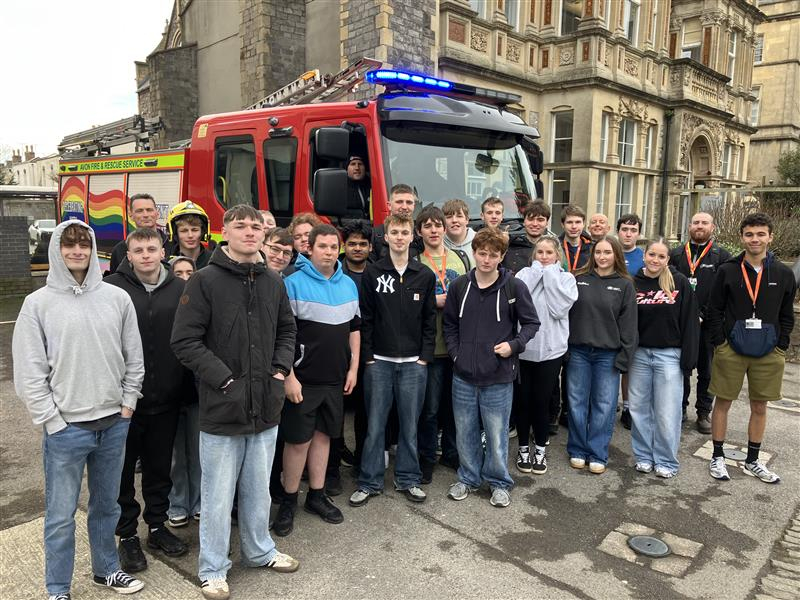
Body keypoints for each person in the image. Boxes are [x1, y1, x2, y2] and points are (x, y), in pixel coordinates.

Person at [171, 204, 299, 600]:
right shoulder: (205, 281)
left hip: (266, 403)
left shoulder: (273, 281)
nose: (249, 232)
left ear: (264, 234)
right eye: (240, 225)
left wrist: (279, 370)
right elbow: (184, 341)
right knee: (217, 494)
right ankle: (212, 568)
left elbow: (287, 329)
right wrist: (225, 379)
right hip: (223, 406)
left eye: (255, 226)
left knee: (259, 487)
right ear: (225, 231)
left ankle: (259, 551)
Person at [13, 220, 146, 598]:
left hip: (113, 423)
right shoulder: (37, 304)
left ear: (92, 250)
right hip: (67, 428)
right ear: (56, 248)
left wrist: (127, 402)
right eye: (68, 244)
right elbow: (29, 371)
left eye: (83, 244)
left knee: (107, 507)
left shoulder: (115, 298)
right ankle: (58, 587)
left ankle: (107, 570)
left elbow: (133, 357)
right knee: (60, 517)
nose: (76, 251)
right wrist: (53, 421)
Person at [106, 228, 190, 571]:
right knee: (122, 472)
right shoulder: (111, 288)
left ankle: (157, 526)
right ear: (128, 253)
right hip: (122, 403)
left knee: (159, 469)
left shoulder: (182, 289)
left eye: (151, 248)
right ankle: (127, 534)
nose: (145, 255)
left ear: (162, 251)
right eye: (137, 249)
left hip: (166, 398)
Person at [273, 224, 360, 536]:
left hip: (335, 380)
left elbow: (354, 329)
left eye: (333, 246)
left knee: (324, 437)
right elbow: (283, 336)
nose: (329, 252)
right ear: (308, 249)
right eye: (322, 246)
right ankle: (288, 501)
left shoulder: (348, 284)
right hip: (303, 381)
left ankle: (317, 495)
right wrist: (289, 377)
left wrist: (353, 369)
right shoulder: (292, 284)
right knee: (298, 442)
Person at [443, 228, 539, 507]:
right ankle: (468, 478)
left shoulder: (513, 287)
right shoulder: (459, 286)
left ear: (502, 256)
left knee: (496, 433)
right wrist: (455, 354)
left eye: (493, 255)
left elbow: (532, 323)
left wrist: (514, 345)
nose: (486, 259)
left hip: (498, 376)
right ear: (474, 253)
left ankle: (499, 482)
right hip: (463, 375)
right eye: (482, 253)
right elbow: (449, 324)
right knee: (465, 431)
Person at [349, 214, 436, 507]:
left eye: (404, 232)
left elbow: (429, 321)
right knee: (375, 425)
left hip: (414, 364)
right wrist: (370, 358)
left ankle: (408, 478)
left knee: (410, 424)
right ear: (386, 237)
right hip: (380, 363)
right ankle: (369, 480)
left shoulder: (423, 275)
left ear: (413, 237)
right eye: (394, 232)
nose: (400, 237)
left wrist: (424, 357)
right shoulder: (374, 273)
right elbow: (367, 318)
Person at [706, 212, 796, 484]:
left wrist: (781, 346)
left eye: (760, 234)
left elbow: (786, 313)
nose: (754, 239)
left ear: (770, 236)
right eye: (749, 234)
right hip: (731, 348)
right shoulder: (728, 270)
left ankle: (753, 460)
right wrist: (721, 343)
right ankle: (718, 456)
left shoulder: (782, 273)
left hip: (769, 351)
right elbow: (714, 310)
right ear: (741, 237)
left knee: (760, 405)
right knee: (723, 402)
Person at [566, 236, 637, 474]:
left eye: (607, 252)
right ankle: (577, 448)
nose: (602, 257)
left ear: (616, 255)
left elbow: (629, 325)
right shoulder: (579, 279)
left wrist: (625, 357)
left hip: (608, 354)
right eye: (598, 252)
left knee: (604, 405)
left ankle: (597, 452)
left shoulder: (625, 285)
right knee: (576, 402)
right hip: (579, 351)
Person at [628, 238, 699, 478]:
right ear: (644, 256)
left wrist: (688, 360)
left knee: (667, 411)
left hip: (669, 355)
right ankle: (644, 457)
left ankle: (666, 461)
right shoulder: (633, 283)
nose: (655, 260)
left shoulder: (678, 283)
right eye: (652, 255)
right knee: (639, 408)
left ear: (668, 260)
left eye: (661, 256)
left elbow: (690, 322)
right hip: (639, 355)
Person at [414, 206, 470, 483]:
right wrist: (431, 301)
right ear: (420, 231)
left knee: (454, 405)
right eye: (428, 226)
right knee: (430, 407)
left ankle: (451, 451)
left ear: (445, 228)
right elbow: (410, 302)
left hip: (457, 345)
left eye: (438, 224)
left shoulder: (460, 259)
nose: (434, 230)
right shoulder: (416, 262)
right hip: (431, 346)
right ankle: (426, 457)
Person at [514, 237, 577, 474]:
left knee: (541, 402)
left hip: (551, 351)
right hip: (523, 350)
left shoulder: (566, 278)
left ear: (557, 256)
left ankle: (539, 448)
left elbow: (559, 308)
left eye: (549, 252)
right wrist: (535, 274)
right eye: (539, 251)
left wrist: (549, 274)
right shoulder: (522, 275)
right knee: (523, 402)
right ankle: (522, 447)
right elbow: (519, 301)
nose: (543, 256)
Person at [669, 212, 732, 434]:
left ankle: (704, 412)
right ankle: (680, 407)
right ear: (689, 226)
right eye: (696, 222)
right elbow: (668, 287)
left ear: (712, 227)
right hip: (681, 323)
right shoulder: (675, 254)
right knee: (682, 367)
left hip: (708, 323)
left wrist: (703, 314)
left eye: (704, 223)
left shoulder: (721, 256)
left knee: (707, 369)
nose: (699, 226)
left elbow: (722, 292)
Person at [334, 221, 373, 476]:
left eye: (362, 244)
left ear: (370, 247)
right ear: (343, 246)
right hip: (337, 351)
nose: (357, 248)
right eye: (352, 244)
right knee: (336, 411)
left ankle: (361, 459)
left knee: (364, 410)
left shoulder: (379, 273)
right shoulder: (335, 273)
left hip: (369, 352)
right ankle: (335, 459)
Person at [166, 256, 202, 530]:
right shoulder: (167, 304)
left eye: (190, 272)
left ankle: (199, 502)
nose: (185, 277)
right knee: (176, 453)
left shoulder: (203, 303)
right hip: (171, 390)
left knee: (199, 451)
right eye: (178, 272)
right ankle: (178, 503)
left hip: (199, 391)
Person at [616, 213, 644, 429]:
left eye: (633, 230)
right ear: (618, 231)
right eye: (625, 229)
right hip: (609, 316)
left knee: (629, 365)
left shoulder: (644, 257)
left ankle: (627, 407)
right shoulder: (611, 253)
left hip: (634, 317)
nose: (628, 233)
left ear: (638, 233)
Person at [109, 193, 168, 273]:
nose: (145, 215)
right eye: (139, 211)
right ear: (131, 215)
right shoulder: (120, 250)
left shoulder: (172, 245)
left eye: (149, 210)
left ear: (157, 213)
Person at [369, 183, 421, 261]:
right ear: (389, 205)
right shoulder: (374, 235)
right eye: (399, 202)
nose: (404, 207)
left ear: (414, 206)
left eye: (409, 202)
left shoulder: (420, 235)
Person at [503, 200, 557, 275]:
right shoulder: (510, 245)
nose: (535, 224)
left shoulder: (555, 247)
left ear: (547, 223)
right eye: (530, 219)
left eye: (540, 220)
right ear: (524, 222)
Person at [164, 201, 213, 269]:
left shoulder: (214, 262)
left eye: (195, 230)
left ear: (203, 232)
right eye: (184, 231)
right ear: (175, 233)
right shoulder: (167, 265)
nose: (190, 235)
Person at [558, 205, 593, 274]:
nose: (574, 226)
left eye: (578, 222)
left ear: (584, 224)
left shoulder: (592, 248)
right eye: (569, 222)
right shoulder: (555, 247)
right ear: (562, 224)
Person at [442, 198, 475, 269]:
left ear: (467, 220)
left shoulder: (480, 240)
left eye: (459, 216)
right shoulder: (438, 243)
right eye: (449, 217)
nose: (454, 220)